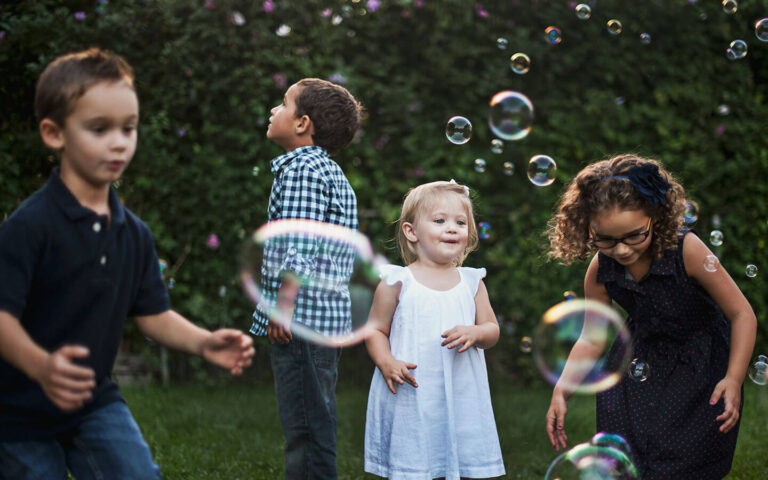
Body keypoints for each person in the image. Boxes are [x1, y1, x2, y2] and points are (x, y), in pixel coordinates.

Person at [0, 48, 255, 479]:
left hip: (91, 400)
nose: (119, 141)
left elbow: (152, 314)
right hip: (17, 410)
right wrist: (42, 367)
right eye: (99, 129)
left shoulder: (133, 233)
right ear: (54, 133)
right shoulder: (31, 226)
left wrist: (204, 342)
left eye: (128, 128)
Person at [544, 154, 757, 479]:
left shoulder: (687, 250)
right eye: (605, 239)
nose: (622, 250)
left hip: (698, 361)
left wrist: (734, 379)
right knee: (629, 453)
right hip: (638, 361)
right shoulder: (601, 269)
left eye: (634, 235)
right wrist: (562, 389)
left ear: (655, 217)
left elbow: (741, 313)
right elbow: (591, 337)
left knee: (685, 454)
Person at [249, 78, 363, 479]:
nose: (272, 111)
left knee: (305, 426)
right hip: (321, 322)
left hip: (302, 321)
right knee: (315, 417)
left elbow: (300, 242)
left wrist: (284, 305)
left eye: (282, 104)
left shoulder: (302, 169)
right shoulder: (327, 171)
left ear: (302, 123)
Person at [364, 180, 506, 480]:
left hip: (460, 389)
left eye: (460, 222)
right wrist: (386, 362)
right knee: (414, 461)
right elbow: (375, 329)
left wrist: (476, 332)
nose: (452, 228)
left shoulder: (471, 281)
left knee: (459, 454)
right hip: (412, 390)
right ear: (411, 232)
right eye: (439, 221)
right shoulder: (397, 280)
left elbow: (492, 329)